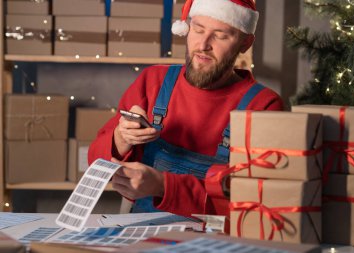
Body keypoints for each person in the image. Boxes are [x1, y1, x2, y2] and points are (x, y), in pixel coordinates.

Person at [88, 0, 283, 217]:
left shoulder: (264, 106)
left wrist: (164, 186)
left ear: (245, 43)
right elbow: (95, 162)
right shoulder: (153, 81)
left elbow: (258, 203)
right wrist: (121, 139)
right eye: (198, 29)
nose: (203, 45)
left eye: (220, 35)